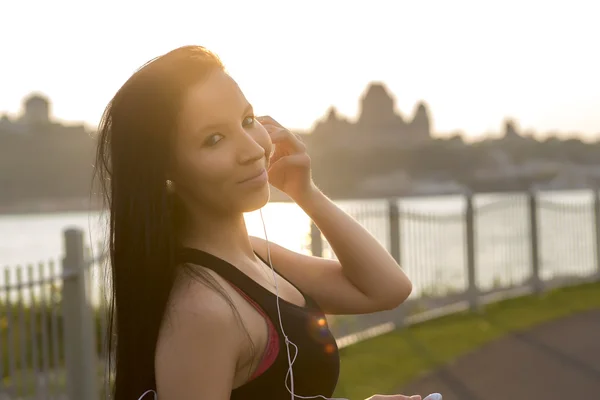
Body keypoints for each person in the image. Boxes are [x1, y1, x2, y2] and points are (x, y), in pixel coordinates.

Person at [94, 45, 416, 400]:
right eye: (213, 139)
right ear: (167, 170)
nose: (252, 148)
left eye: (247, 120)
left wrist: (304, 192)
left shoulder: (253, 256)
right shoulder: (203, 310)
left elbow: (387, 289)